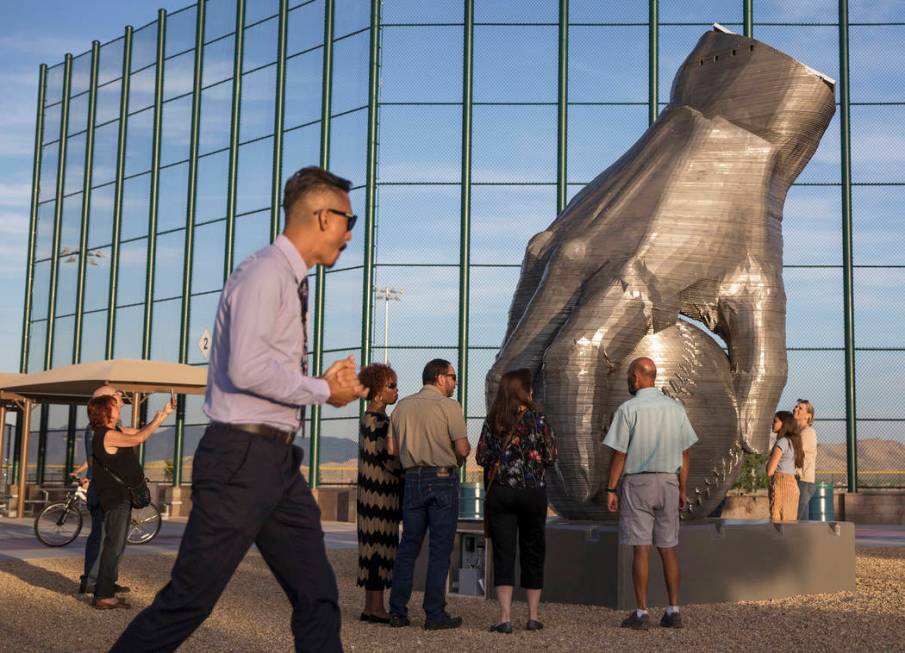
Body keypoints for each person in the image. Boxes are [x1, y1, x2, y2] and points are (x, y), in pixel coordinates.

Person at [111, 167, 367, 652]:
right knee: (188, 601)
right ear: (320, 216)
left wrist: (326, 385)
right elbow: (247, 368)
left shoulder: (293, 281)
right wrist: (322, 390)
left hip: (274, 464)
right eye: (348, 221)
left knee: (319, 595)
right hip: (241, 458)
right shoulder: (266, 272)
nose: (351, 234)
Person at [603, 357, 698, 630]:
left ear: (635, 376)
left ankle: (642, 613)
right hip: (669, 482)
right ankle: (673, 610)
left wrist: (611, 488)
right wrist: (682, 487)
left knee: (641, 549)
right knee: (668, 548)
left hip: (638, 484)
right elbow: (686, 452)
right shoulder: (675, 408)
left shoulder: (628, 409)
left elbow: (619, 452)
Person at [386, 359, 470, 630]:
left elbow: (391, 449)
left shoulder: (402, 407)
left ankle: (397, 612)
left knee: (408, 546)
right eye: (453, 376)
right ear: (439, 378)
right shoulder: (449, 406)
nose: (455, 382)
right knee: (439, 549)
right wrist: (455, 460)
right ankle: (434, 614)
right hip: (442, 478)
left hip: (412, 479)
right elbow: (464, 448)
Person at [476, 368, 557, 634]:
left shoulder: (494, 419)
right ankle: (533, 616)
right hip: (532, 492)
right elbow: (550, 456)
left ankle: (505, 616)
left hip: (501, 493)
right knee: (533, 551)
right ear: (525, 390)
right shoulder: (539, 419)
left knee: (503, 552)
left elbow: (481, 456)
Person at [87, 392, 174, 609]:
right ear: (105, 411)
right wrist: (157, 419)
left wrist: (163, 415)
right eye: (114, 405)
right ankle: (103, 596)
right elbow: (138, 438)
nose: (118, 408)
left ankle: (104, 590)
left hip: (120, 497)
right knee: (113, 546)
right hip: (116, 498)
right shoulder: (105, 435)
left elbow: (138, 432)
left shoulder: (113, 431)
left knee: (114, 545)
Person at [356, 363, 403, 623]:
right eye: (391, 386)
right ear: (377, 392)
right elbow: (389, 458)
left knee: (370, 547)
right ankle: (377, 608)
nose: (396, 390)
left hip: (367, 495)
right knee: (381, 549)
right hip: (382, 496)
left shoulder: (366, 419)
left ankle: (370, 605)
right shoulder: (382, 423)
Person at [77, 385, 133, 596]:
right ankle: (93, 581)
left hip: (112, 489)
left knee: (112, 538)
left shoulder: (113, 425)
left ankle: (106, 580)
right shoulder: (97, 427)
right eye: (116, 395)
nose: (120, 398)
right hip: (104, 490)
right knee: (102, 537)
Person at [767, 410, 803, 522]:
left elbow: (770, 471)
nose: (772, 423)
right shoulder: (793, 442)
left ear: (784, 424)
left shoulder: (782, 442)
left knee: (777, 525)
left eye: (775, 421)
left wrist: (767, 463)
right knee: (790, 526)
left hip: (781, 483)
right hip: (792, 485)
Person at [794, 399, 818, 520]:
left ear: (808, 415)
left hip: (803, 481)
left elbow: (794, 453)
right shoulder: (797, 432)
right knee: (801, 521)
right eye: (796, 407)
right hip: (799, 480)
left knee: (796, 518)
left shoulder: (808, 432)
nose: (795, 409)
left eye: (800, 408)